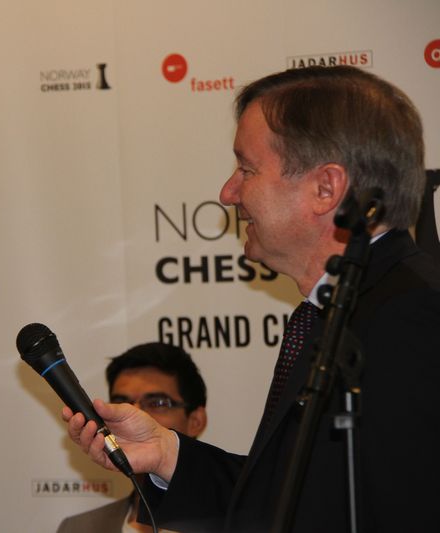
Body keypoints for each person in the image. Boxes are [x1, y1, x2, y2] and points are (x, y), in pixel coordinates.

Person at [64, 65, 440, 532]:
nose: (228, 193)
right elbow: (291, 502)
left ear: (326, 188)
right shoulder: (336, 311)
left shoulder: (416, 317)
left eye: (246, 169)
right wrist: (165, 453)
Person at [57, 342, 207, 533]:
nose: (134, 416)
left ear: (196, 421)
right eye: (122, 403)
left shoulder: (235, 523)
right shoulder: (77, 528)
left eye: (157, 403)